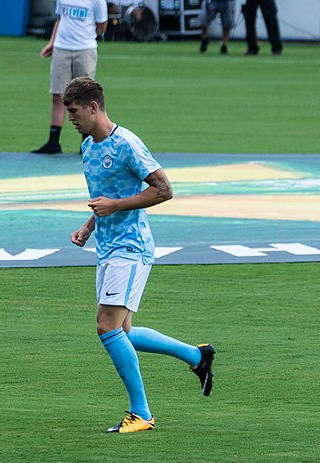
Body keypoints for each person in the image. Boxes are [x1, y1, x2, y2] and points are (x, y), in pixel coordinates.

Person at [65, 76, 216, 434]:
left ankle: (141, 413)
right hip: (108, 246)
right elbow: (106, 194)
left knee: (106, 326)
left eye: (73, 111)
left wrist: (114, 206)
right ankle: (198, 356)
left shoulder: (127, 144)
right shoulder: (88, 146)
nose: (69, 118)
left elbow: (164, 190)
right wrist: (89, 225)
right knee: (123, 333)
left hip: (131, 248)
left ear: (93, 107)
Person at [32, 0, 108, 155]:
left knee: (84, 96)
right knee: (58, 94)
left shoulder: (97, 1)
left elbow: (102, 27)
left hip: (85, 49)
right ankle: (53, 142)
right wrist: (52, 43)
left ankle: (86, 141)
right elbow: (60, 19)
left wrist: (84, 37)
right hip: (62, 48)